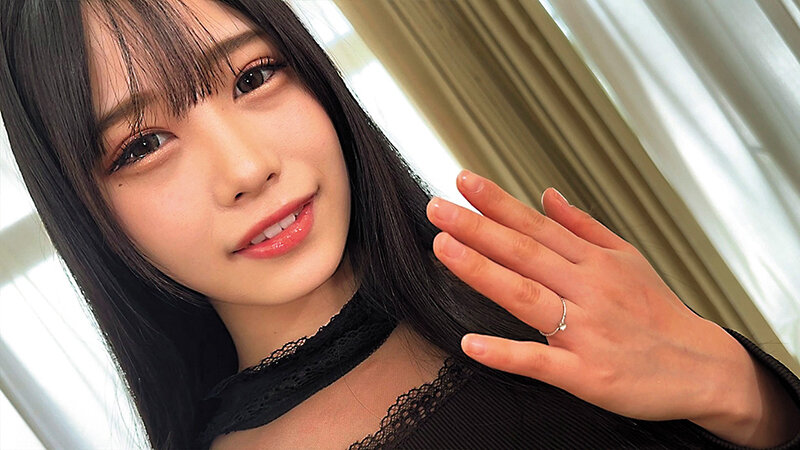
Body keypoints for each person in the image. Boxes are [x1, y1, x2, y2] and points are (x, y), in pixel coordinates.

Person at [1, 0, 799, 449]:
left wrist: (736, 387)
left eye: (254, 75)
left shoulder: (536, 296)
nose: (247, 168)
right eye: (143, 144)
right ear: (87, 210)